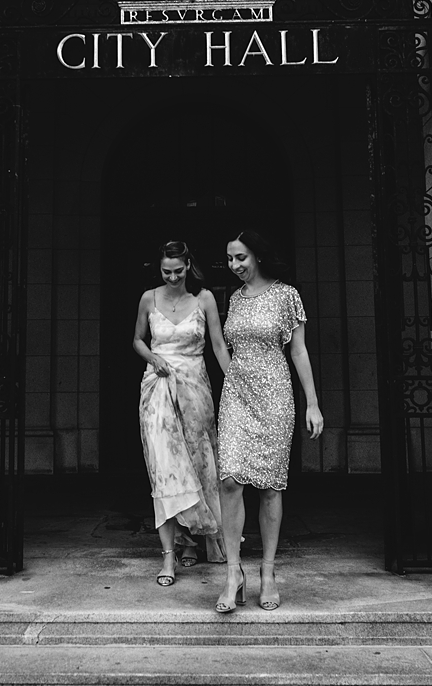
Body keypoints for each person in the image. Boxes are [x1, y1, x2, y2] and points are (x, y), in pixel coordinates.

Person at [214, 230, 323, 613]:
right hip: (236, 399)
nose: (234, 266)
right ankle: (232, 574)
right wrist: (234, 378)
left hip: (275, 397)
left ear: (257, 255)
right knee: (229, 480)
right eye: (229, 259)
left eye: (240, 258)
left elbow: (299, 351)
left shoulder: (286, 295)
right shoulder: (234, 300)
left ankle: (268, 573)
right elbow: (229, 348)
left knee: (270, 488)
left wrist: (312, 403)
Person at [131, 240, 231, 586]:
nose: (172, 277)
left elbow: (217, 345)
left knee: (199, 465)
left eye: (178, 271)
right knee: (166, 470)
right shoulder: (149, 298)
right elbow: (138, 340)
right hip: (157, 390)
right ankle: (169, 556)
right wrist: (153, 358)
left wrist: (233, 381)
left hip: (195, 389)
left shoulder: (203, 299)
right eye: (165, 272)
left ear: (188, 266)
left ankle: (193, 540)